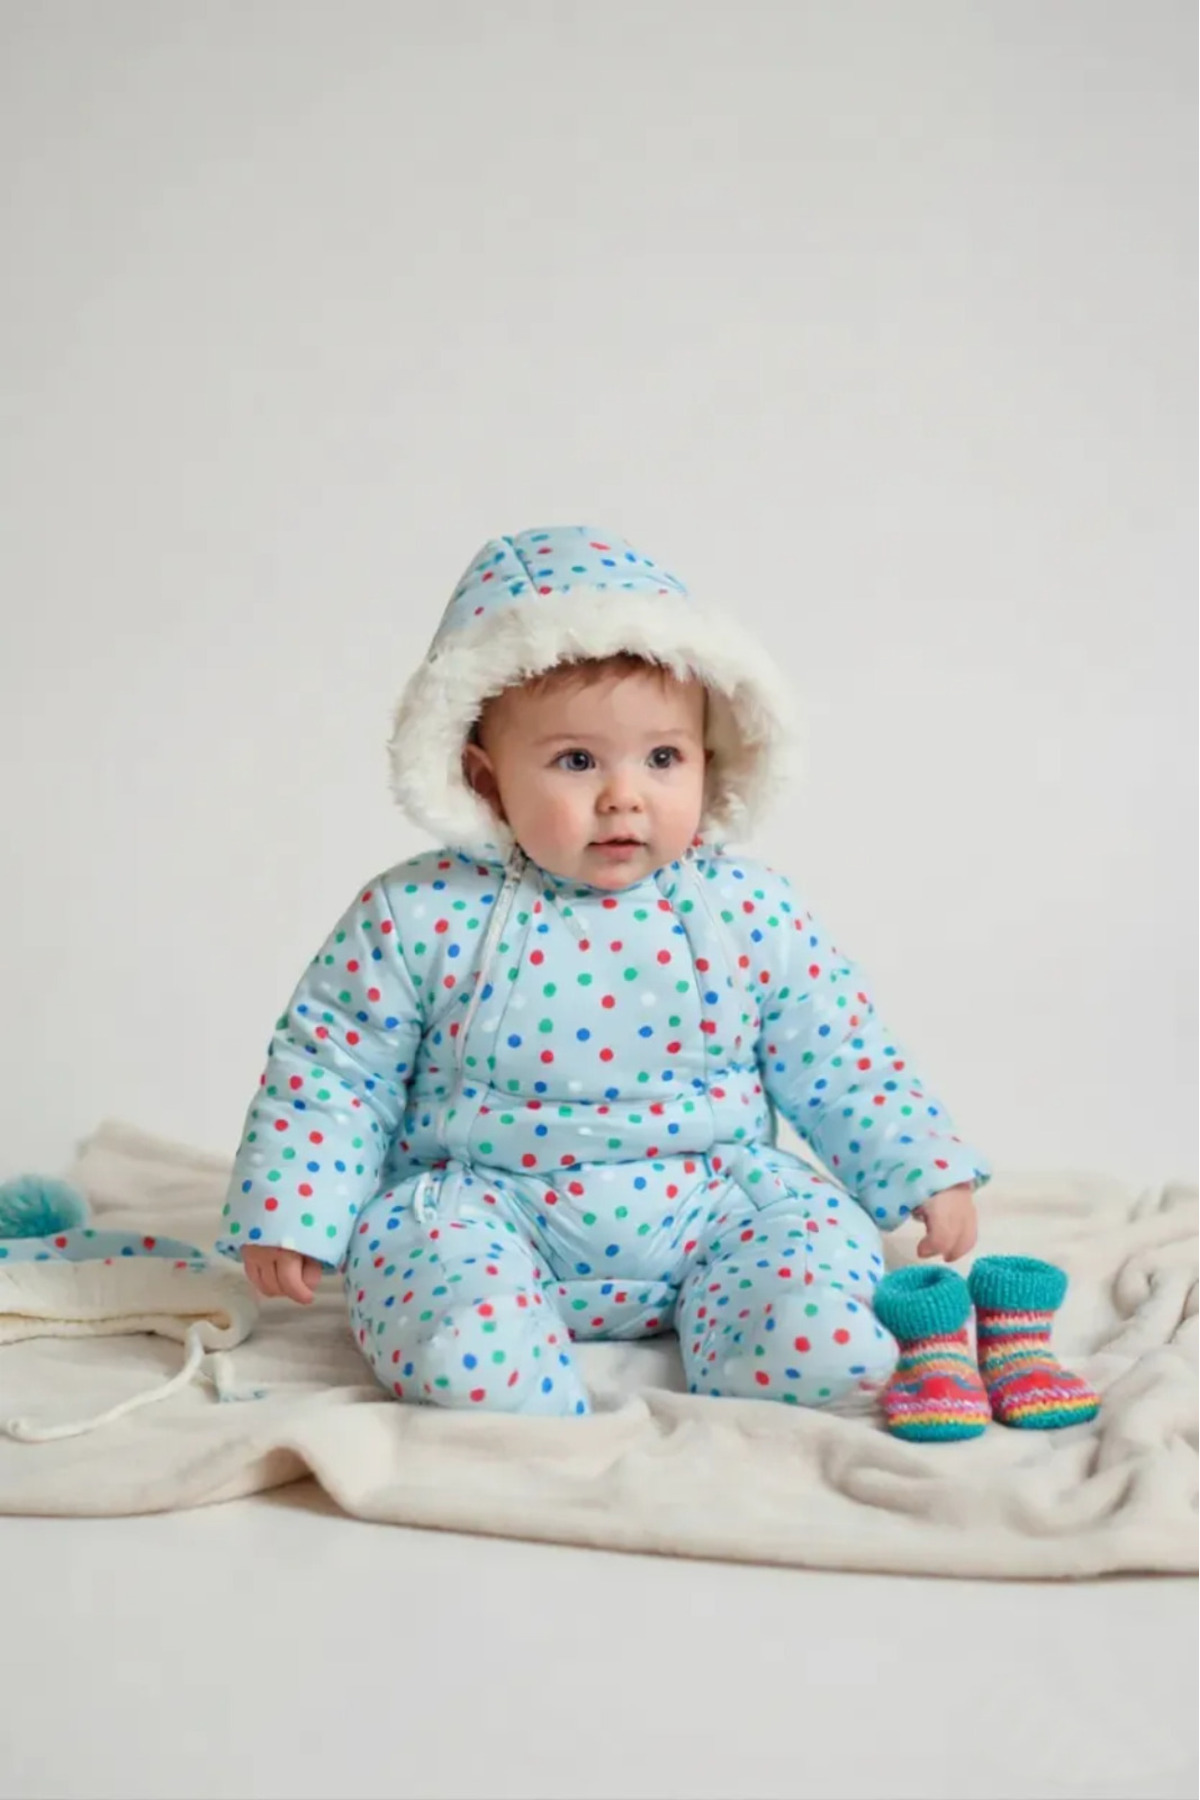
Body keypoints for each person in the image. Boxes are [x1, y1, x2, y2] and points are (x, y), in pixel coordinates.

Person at [217, 524, 990, 1415]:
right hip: (487, 1203)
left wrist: (922, 1166)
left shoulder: (749, 909)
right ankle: (486, 1349)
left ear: (708, 759)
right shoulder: (418, 913)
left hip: (713, 1196)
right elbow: (335, 1070)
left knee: (809, 1261)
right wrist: (294, 1207)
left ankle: (782, 1330)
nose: (625, 795)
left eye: (663, 758)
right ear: (484, 779)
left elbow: (840, 1053)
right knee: (427, 1270)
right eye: (576, 761)